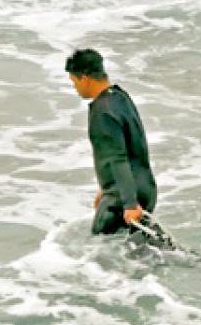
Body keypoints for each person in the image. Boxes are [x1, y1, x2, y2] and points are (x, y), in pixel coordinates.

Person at [65, 48, 158, 236]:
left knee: (98, 248)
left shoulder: (102, 112)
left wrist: (129, 203)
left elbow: (118, 158)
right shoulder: (120, 97)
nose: (75, 88)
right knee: (135, 249)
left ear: (85, 78)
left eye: (74, 82)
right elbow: (133, 145)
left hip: (123, 197)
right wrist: (105, 186)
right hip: (146, 189)